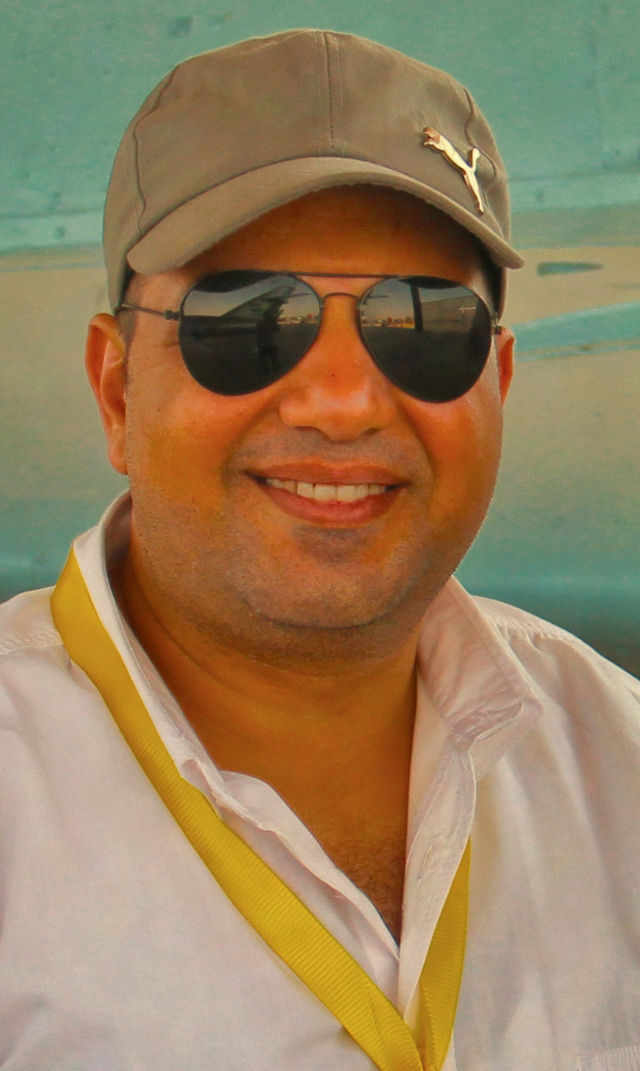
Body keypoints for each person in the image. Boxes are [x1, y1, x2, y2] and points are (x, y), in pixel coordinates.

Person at [1, 29, 638, 1071]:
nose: (343, 402)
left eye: (424, 325)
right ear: (116, 391)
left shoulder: (618, 764)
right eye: (246, 321)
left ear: (498, 383)